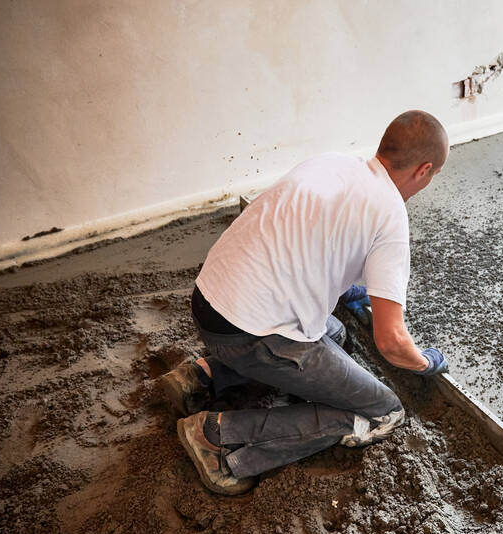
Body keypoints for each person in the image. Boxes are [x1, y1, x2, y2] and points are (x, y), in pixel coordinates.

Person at [157, 110, 449, 496]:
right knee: (383, 411)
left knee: (337, 333)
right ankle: (215, 438)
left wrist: (350, 291)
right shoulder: (391, 216)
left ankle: (201, 376)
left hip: (209, 302)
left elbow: (305, 237)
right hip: (249, 334)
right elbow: (391, 342)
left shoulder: (332, 163)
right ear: (424, 170)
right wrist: (424, 362)